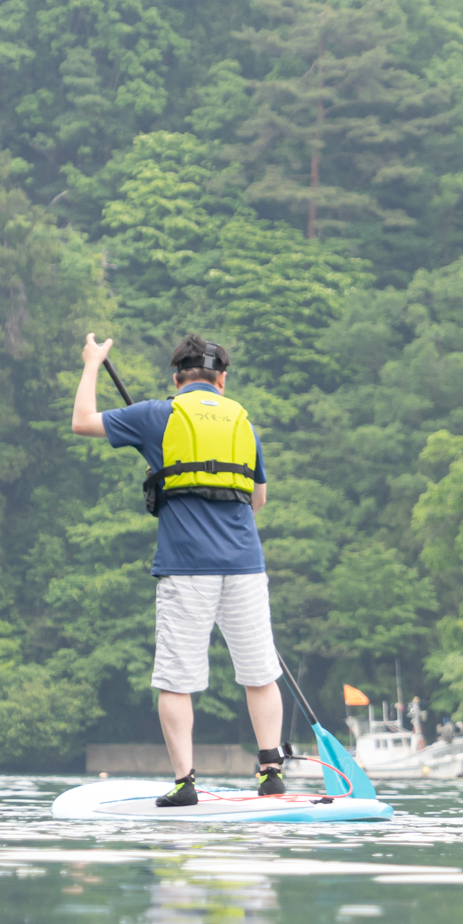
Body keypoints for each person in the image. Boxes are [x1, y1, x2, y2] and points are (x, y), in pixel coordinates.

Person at [70, 332, 288, 807]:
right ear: (221, 380)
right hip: (245, 565)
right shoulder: (242, 422)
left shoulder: (157, 414)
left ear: (177, 378)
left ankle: (185, 783)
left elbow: (82, 422)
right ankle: (271, 773)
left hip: (187, 566)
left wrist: (93, 363)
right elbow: (259, 499)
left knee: (176, 679)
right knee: (260, 673)